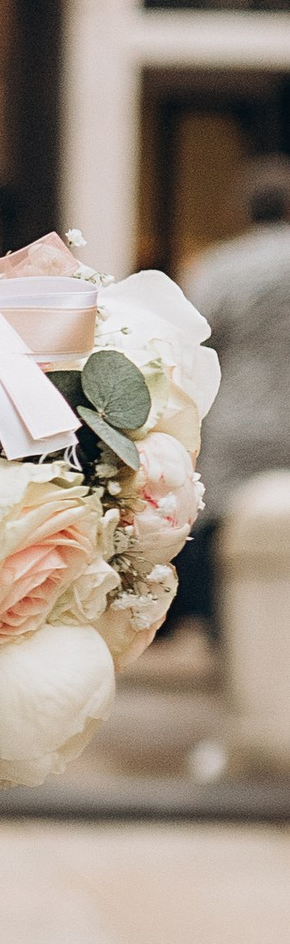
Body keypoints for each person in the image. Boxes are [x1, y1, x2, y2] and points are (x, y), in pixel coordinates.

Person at [179, 153, 290, 629]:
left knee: (226, 538)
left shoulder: (221, 266)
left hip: (239, 419)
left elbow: (188, 337)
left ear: (246, 209)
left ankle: (232, 641)